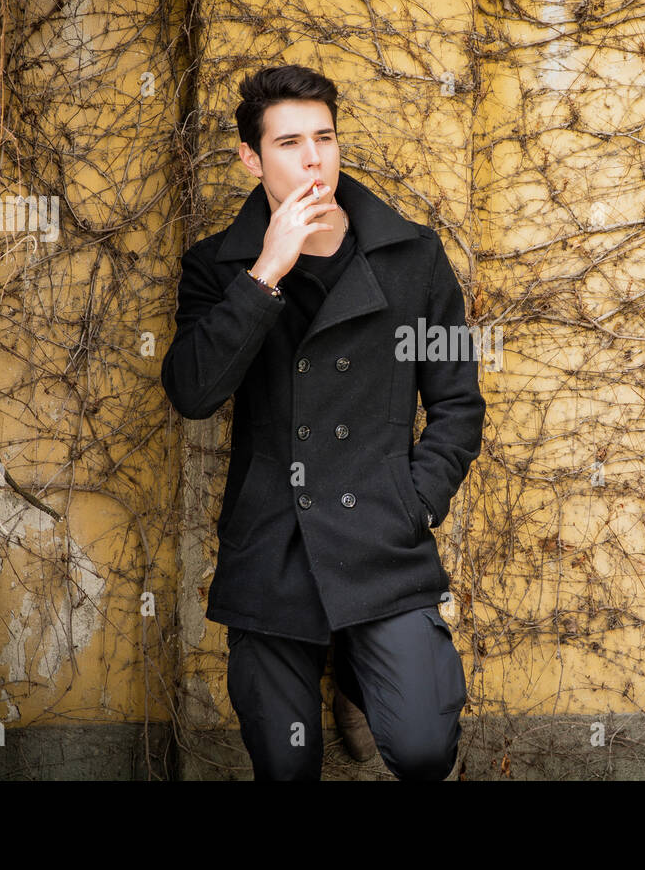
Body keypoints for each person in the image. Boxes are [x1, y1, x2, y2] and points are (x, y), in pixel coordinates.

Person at [160, 64, 487, 780]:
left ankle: (361, 672)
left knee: (426, 750)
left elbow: (459, 403)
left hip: (381, 539)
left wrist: (415, 500)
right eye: (289, 143)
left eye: (325, 138)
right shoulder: (218, 267)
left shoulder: (413, 257)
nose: (314, 158)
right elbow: (191, 393)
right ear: (252, 158)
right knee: (286, 768)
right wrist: (264, 275)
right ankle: (339, 661)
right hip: (271, 545)